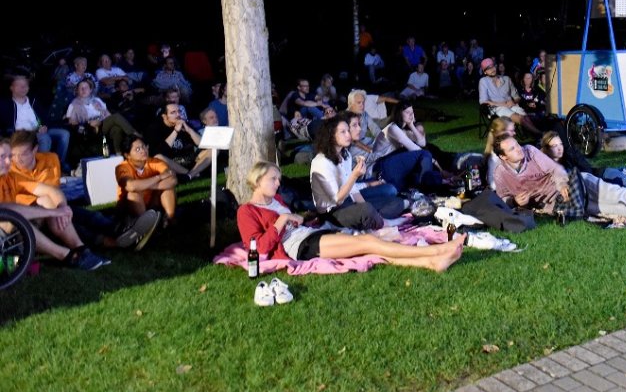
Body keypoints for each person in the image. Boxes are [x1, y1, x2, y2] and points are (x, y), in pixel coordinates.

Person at [239, 161, 464, 271]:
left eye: (278, 179)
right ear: (257, 181)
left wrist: (295, 217)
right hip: (300, 245)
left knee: (368, 248)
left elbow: (290, 219)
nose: (278, 184)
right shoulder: (246, 211)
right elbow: (259, 248)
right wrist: (282, 220)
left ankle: (431, 262)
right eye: (273, 179)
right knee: (368, 242)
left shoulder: (275, 200)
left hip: (310, 233)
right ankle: (436, 250)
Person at [9, 130, 158, 251]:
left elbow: (54, 190)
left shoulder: (50, 159)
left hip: (54, 206)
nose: (18, 159)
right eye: (13, 155)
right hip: (32, 215)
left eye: (23, 154)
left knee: (90, 216)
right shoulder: (9, 170)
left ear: (35, 149)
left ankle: (125, 230)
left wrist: (62, 209)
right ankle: (113, 242)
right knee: (70, 223)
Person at [0, 137, 111, 270]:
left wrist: (62, 207)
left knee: (47, 200)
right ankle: (66, 255)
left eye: (9, 156)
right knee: (14, 219)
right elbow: (6, 209)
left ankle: (80, 249)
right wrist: (53, 212)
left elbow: (50, 190)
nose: (9, 162)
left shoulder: (9, 177)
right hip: (7, 228)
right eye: (2, 157)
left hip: (12, 231)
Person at [309, 115, 405, 230]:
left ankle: (373, 219)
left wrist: (365, 205)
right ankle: (382, 223)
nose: (348, 135)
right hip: (332, 213)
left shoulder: (346, 155)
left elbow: (353, 190)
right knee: (366, 210)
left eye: (348, 131)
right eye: (343, 132)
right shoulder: (322, 162)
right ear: (331, 136)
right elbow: (336, 200)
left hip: (349, 201)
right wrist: (355, 176)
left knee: (395, 201)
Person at [0, 74, 71, 170]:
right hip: (22, 134)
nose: (23, 88)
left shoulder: (33, 101)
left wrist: (44, 125)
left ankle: (58, 164)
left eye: (25, 85)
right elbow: (4, 124)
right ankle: (41, 168)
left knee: (64, 134)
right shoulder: (6, 104)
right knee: (45, 138)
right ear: (11, 87)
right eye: (19, 85)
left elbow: (44, 117)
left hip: (38, 129)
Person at [64, 79, 140, 166]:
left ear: (90, 90)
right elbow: (71, 122)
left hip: (103, 124)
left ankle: (119, 157)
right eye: (81, 88)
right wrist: (87, 123)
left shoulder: (97, 100)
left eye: (86, 88)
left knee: (116, 128)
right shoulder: (73, 104)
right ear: (77, 91)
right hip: (90, 129)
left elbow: (108, 114)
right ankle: (134, 134)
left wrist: (105, 120)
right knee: (116, 117)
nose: (84, 90)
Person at [115, 134, 179, 225]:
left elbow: (173, 180)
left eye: (144, 146)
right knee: (133, 194)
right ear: (127, 155)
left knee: (168, 188)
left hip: (152, 202)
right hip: (130, 207)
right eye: (137, 149)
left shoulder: (155, 162)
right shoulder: (122, 167)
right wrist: (159, 177)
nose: (143, 151)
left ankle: (169, 218)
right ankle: (146, 225)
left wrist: (149, 186)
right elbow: (131, 186)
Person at [478, 57, 542, 136]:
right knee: (520, 118)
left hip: (510, 105)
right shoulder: (483, 81)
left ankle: (536, 133)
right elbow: (483, 101)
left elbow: (517, 97)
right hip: (496, 108)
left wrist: (514, 101)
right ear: (485, 72)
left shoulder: (506, 79)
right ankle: (540, 134)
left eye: (492, 66)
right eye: (488, 68)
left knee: (525, 116)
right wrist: (503, 104)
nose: (492, 69)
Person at [146, 102, 211, 179]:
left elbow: (203, 144)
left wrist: (189, 130)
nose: (178, 115)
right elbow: (160, 152)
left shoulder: (184, 124)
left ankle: (191, 175)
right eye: (173, 112)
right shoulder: (155, 128)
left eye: (179, 111)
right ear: (164, 116)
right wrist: (176, 131)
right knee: (158, 157)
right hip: (172, 164)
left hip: (189, 160)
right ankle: (190, 174)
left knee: (212, 149)